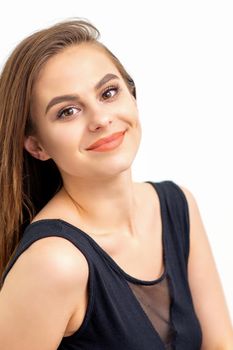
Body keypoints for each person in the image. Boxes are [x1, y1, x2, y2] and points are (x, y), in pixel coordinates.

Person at [0, 18, 232, 350]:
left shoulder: (179, 205)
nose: (101, 119)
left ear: (132, 96)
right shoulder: (55, 262)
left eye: (109, 92)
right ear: (37, 146)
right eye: (68, 111)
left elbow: (221, 343)